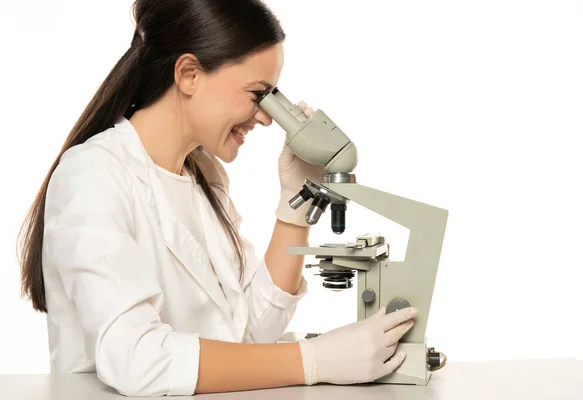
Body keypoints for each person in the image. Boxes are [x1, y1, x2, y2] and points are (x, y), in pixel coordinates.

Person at [17, 0, 417, 396]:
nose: (264, 117)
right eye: (258, 94)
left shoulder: (205, 175)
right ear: (189, 74)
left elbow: (248, 335)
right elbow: (137, 361)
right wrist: (314, 359)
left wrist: (292, 209)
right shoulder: (93, 175)